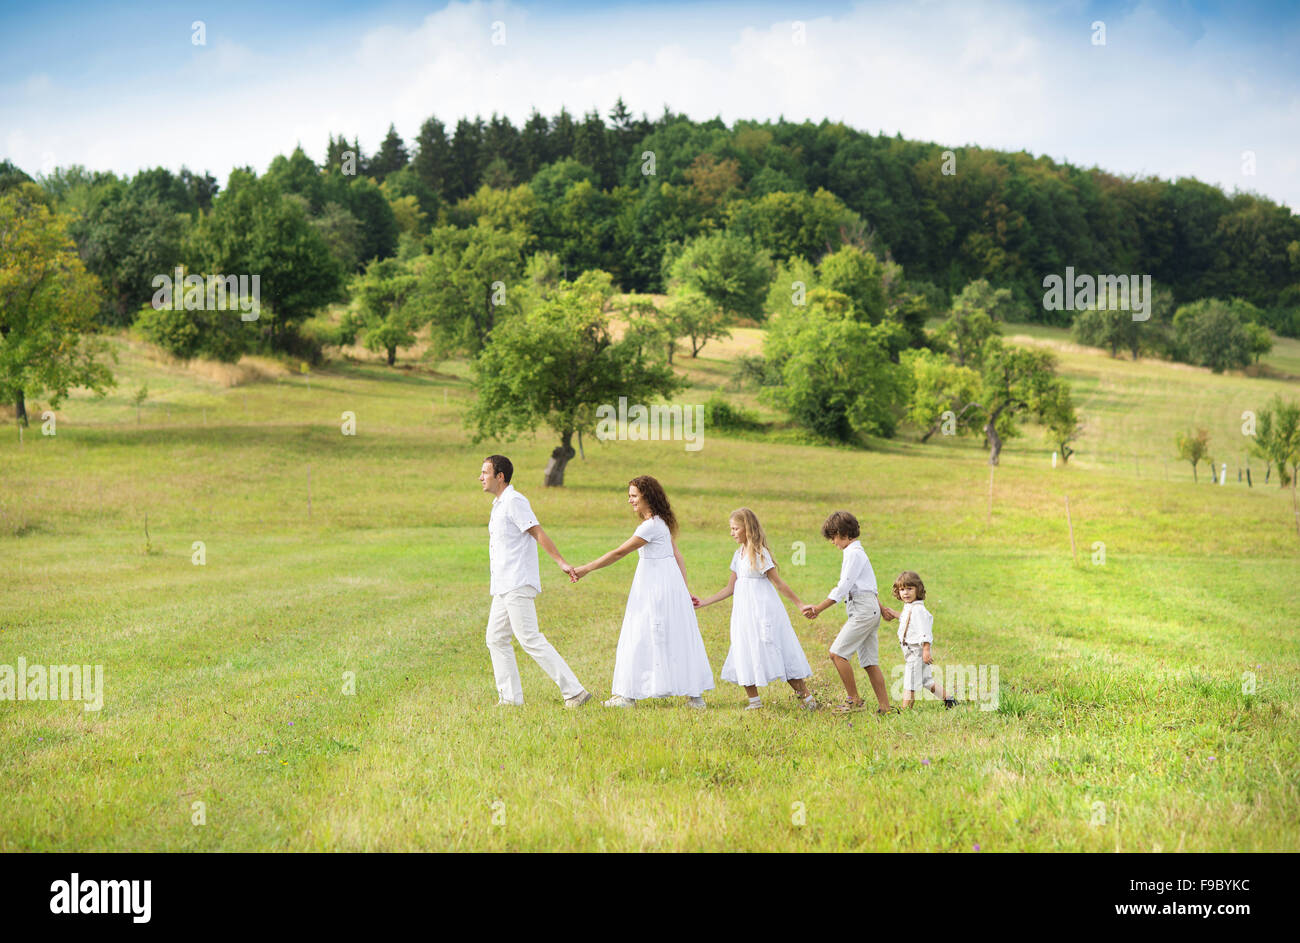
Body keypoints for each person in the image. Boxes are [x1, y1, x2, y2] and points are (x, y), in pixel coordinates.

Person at [571, 475, 714, 709]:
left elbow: (619, 552)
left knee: (639, 634)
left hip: (655, 587)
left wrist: (586, 568)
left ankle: (628, 696)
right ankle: (693, 697)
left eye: (634, 496)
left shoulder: (651, 526)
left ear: (647, 497)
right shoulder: (661, 523)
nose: (630, 501)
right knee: (674, 635)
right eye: (629, 496)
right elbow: (677, 555)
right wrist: (683, 590)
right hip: (665, 584)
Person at [479, 455, 591, 708]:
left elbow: (537, 531)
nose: (481, 477)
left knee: (529, 638)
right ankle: (509, 699)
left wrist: (561, 562)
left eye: (485, 472)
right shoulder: (499, 504)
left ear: (500, 476)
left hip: (517, 581)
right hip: (503, 585)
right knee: (495, 638)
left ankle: (575, 692)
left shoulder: (515, 501)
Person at [694, 508, 819, 711]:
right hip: (743, 613)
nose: (732, 532)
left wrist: (800, 604)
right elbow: (730, 588)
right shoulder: (738, 554)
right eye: (731, 529)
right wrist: (703, 602)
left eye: (735, 528)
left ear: (748, 529)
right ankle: (754, 701)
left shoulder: (759, 554)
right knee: (743, 648)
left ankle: (806, 698)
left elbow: (778, 583)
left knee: (775, 648)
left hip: (763, 610)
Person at [801, 510, 899, 714]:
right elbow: (869, 586)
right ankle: (885, 708)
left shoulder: (853, 553)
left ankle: (854, 700)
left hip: (863, 610)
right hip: (868, 608)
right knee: (870, 662)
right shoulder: (857, 553)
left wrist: (819, 608)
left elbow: (843, 586)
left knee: (837, 654)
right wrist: (880, 609)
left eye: (833, 537)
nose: (833, 542)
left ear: (843, 533)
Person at [891, 570, 957, 710]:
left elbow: (925, 631)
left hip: (917, 652)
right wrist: (893, 613)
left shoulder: (919, 610)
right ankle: (950, 700)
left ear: (918, 590)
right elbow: (906, 619)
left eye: (910, 589)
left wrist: (926, 650)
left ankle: (905, 711)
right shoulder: (910, 607)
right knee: (926, 680)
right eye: (902, 589)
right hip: (912, 652)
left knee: (910, 683)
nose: (906, 593)